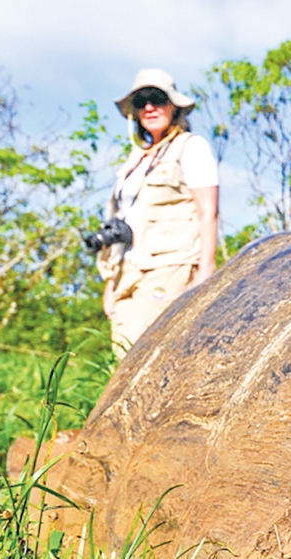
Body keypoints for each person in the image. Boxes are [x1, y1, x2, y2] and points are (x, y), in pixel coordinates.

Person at [97, 69, 218, 359]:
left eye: (157, 99)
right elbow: (123, 221)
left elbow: (208, 212)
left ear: (173, 105)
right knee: (121, 357)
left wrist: (205, 274)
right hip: (128, 271)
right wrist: (111, 283)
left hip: (171, 266)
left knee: (151, 357)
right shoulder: (134, 160)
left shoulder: (192, 147)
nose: (149, 108)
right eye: (141, 102)